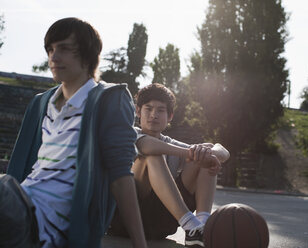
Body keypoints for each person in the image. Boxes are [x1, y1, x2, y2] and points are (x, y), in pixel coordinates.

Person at [1, 17, 147, 248]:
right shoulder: (43, 103)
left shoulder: (107, 100)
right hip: (17, 202)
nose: (53, 57)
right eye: (50, 49)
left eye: (64, 49)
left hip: (41, 222)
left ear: (88, 56)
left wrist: (141, 245)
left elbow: (120, 177)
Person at [109, 83, 230, 248]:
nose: (154, 115)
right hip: (126, 219)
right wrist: (190, 153)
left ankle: (201, 228)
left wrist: (209, 154)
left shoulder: (170, 144)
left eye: (160, 110)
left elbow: (222, 151)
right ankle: (191, 224)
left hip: (160, 222)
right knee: (152, 157)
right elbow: (146, 146)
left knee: (203, 156)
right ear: (138, 111)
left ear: (170, 116)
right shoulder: (129, 133)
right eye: (148, 108)